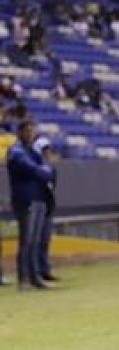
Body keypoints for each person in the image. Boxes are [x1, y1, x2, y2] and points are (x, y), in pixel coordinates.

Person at [5, 120, 51, 290]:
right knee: (27, 240)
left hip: (38, 198)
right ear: (20, 132)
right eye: (27, 131)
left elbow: (47, 168)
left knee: (35, 240)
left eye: (32, 131)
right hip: (25, 199)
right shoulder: (16, 152)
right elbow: (36, 170)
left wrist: (44, 171)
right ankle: (23, 278)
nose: (31, 135)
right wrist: (43, 171)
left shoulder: (32, 151)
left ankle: (34, 276)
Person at [33, 136, 58, 281]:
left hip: (48, 207)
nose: (47, 153)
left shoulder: (51, 169)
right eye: (44, 151)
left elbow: (53, 187)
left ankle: (45, 269)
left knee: (45, 241)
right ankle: (36, 271)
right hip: (38, 206)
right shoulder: (35, 168)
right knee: (36, 240)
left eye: (48, 150)